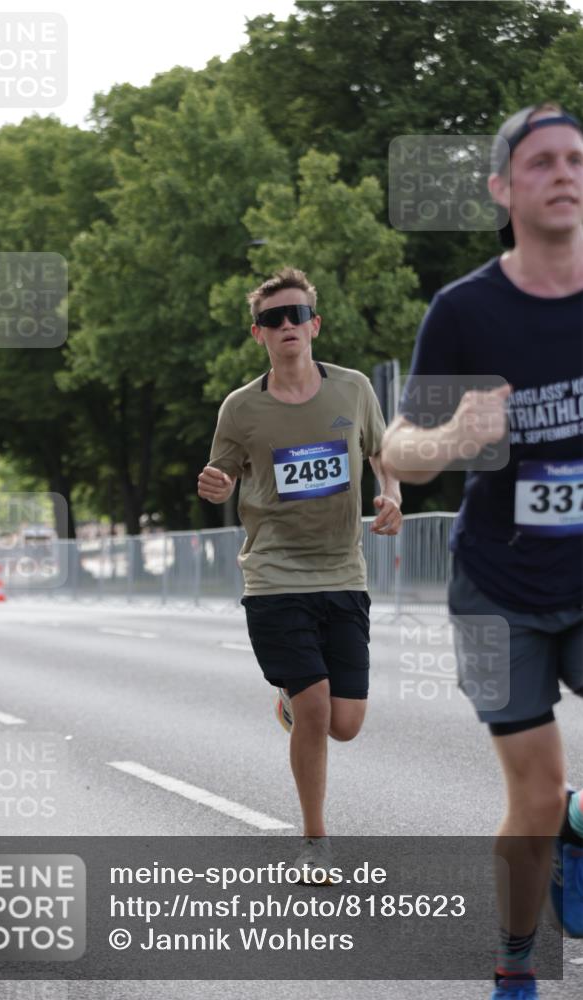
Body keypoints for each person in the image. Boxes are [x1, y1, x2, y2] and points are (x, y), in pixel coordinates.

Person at [381, 103, 583, 999]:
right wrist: (454, 438)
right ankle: (513, 963)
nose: (563, 174)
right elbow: (397, 452)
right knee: (534, 799)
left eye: (575, 159)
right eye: (540, 162)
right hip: (498, 587)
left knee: (561, 805)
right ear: (502, 190)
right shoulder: (465, 310)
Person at [198, 267, 402, 876]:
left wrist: (391, 493)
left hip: (343, 572)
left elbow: (380, 452)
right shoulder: (241, 408)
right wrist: (214, 485)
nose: (285, 326)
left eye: (295, 315)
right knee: (316, 709)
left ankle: (291, 701)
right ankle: (316, 841)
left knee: (345, 724)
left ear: (314, 324)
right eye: (272, 319)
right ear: (257, 333)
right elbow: (221, 475)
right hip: (274, 575)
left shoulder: (354, 389)